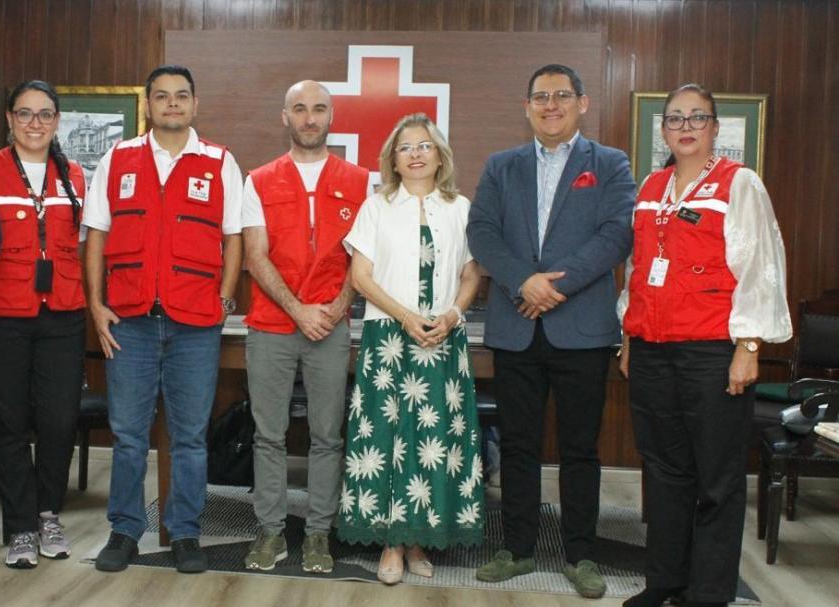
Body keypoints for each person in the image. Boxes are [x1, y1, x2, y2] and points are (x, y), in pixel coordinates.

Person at [618, 84, 792, 607]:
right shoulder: (651, 185)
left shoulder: (740, 184)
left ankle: (709, 592)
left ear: (716, 128)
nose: (686, 126)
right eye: (675, 118)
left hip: (713, 350)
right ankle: (666, 581)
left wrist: (749, 345)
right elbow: (638, 269)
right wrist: (628, 335)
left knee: (716, 478)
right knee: (665, 473)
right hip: (650, 348)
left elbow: (761, 266)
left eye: (698, 117)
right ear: (664, 130)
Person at [466, 63, 635, 599]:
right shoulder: (501, 166)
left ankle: (580, 554)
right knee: (517, 446)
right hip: (516, 327)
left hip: (581, 328)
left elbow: (616, 235)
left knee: (580, 448)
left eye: (562, 95)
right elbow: (482, 232)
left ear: (582, 103)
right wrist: (524, 282)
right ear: (527, 106)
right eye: (541, 96)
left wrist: (554, 287)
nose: (551, 104)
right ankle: (517, 549)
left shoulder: (609, 164)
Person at [85, 65, 243, 574]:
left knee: (190, 436)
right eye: (161, 97)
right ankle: (125, 531)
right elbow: (96, 235)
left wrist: (222, 299)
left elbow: (234, 238)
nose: (171, 104)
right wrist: (96, 304)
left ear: (195, 105)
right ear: (148, 106)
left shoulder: (220, 163)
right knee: (129, 435)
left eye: (181, 96)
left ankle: (185, 533)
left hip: (194, 325)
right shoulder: (118, 158)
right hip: (129, 320)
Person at [337, 113, 484, 584]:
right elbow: (360, 277)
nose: (417, 153)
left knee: (433, 446)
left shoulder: (461, 207)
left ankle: (421, 537)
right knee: (386, 440)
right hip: (389, 340)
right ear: (393, 161)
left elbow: (471, 274)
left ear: (439, 155)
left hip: (443, 339)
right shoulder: (376, 207)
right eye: (406, 147)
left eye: (425, 145)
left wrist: (453, 315)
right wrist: (405, 316)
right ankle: (390, 543)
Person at [240, 80, 368, 574]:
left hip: (332, 326)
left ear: (332, 117)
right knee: (268, 435)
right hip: (273, 324)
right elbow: (255, 255)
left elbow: (364, 257)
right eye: (299, 108)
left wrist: (336, 309)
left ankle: (318, 535)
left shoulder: (358, 181)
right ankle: (270, 532)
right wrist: (299, 310)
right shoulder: (260, 179)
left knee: (327, 436)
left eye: (318, 109)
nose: (309, 118)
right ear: (284, 117)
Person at [0, 80, 88, 569]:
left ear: (58, 121)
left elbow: (90, 247)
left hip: (63, 314)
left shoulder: (77, 176)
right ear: (9, 118)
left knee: (59, 421)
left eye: (45, 115)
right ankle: (20, 526)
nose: (35, 123)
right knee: (10, 421)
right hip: (4, 314)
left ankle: (48, 512)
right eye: (25, 113)